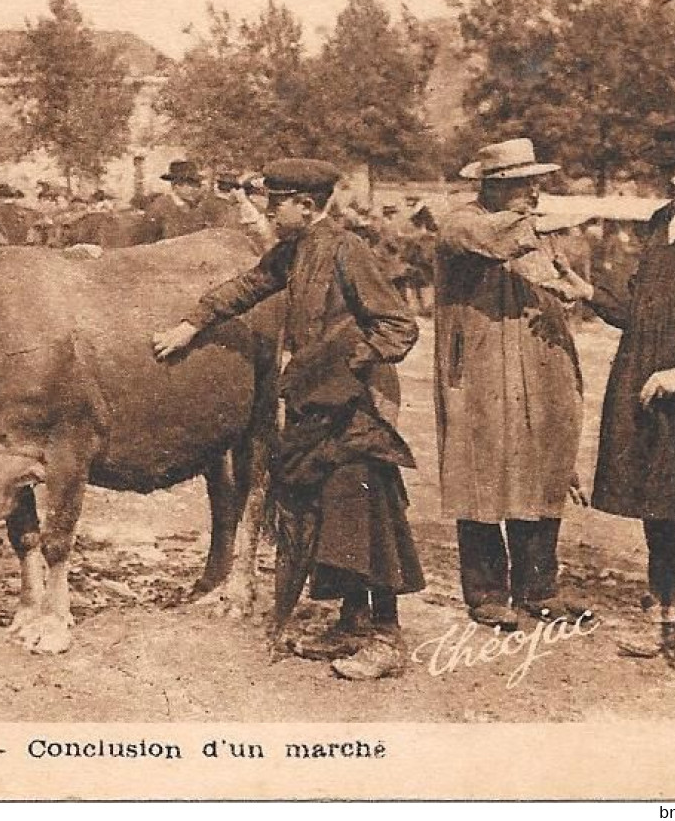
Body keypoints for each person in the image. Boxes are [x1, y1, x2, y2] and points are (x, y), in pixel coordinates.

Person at [153, 158, 423, 680]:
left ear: (306, 204)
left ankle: (386, 638)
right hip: (316, 406)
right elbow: (249, 285)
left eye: (277, 202)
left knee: (367, 513)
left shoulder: (347, 250)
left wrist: (346, 363)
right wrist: (193, 322)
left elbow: (398, 326)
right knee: (327, 515)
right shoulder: (294, 251)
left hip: (354, 408)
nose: (270, 211)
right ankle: (351, 623)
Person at [433, 138, 590, 632]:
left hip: (539, 370)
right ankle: (486, 593)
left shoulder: (532, 230)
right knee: (482, 474)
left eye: (537, 184)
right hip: (479, 373)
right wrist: (539, 225)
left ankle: (539, 590)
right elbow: (491, 239)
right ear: (495, 186)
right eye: (525, 185)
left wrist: (566, 291)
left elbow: (552, 281)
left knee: (541, 474)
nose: (535, 194)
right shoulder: (462, 222)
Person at [573, 155, 675, 664]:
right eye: (672, 167)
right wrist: (588, 293)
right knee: (658, 505)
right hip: (643, 379)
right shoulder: (663, 222)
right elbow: (638, 312)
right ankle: (665, 620)